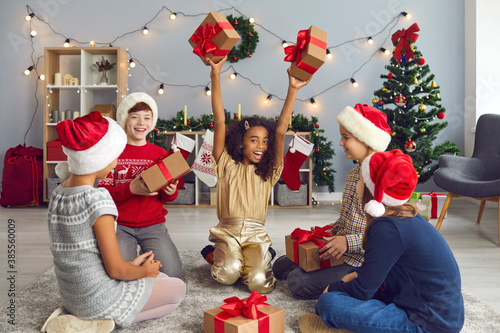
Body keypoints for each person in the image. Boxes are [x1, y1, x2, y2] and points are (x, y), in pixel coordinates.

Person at [45, 111, 186, 332]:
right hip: (99, 296)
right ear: (98, 158)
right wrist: (142, 272)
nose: (116, 162)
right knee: (177, 291)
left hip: (72, 297)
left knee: (164, 275)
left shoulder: (57, 194)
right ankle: (97, 322)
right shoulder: (97, 199)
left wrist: (134, 267)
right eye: (114, 156)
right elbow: (116, 271)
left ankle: (93, 318)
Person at [299, 150, 464, 333]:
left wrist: (333, 287)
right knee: (349, 285)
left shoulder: (386, 228)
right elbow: (375, 272)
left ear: (372, 190)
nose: (356, 184)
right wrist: (353, 277)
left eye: (360, 180)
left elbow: (363, 291)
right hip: (425, 307)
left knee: (329, 303)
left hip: (426, 323)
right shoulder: (402, 216)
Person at [203, 55, 311, 294]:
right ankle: (219, 254)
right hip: (227, 231)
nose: (261, 146)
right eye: (254, 140)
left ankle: (258, 256)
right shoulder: (226, 165)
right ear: (241, 143)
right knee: (226, 275)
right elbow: (219, 121)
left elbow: (281, 130)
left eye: (264, 141)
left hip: (256, 234)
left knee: (260, 285)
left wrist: (292, 89)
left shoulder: (269, 171)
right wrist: (215, 75)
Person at [273, 103, 392, 299]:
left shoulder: (382, 180)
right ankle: (313, 269)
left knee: (297, 281)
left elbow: (386, 236)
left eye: (346, 138)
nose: (340, 143)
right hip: (340, 249)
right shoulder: (354, 174)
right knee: (280, 267)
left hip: (359, 260)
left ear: (367, 140)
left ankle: (354, 283)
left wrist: (347, 242)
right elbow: (348, 219)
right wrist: (327, 232)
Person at [98, 92, 183, 278]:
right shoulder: (113, 153)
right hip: (119, 225)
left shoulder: (159, 153)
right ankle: (141, 264)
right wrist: (131, 189)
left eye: (147, 117)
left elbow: (167, 197)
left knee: (175, 277)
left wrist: (171, 191)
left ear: (152, 123)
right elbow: (102, 196)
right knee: (117, 275)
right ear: (124, 120)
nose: (141, 123)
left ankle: (144, 261)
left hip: (153, 225)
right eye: (134, 117)